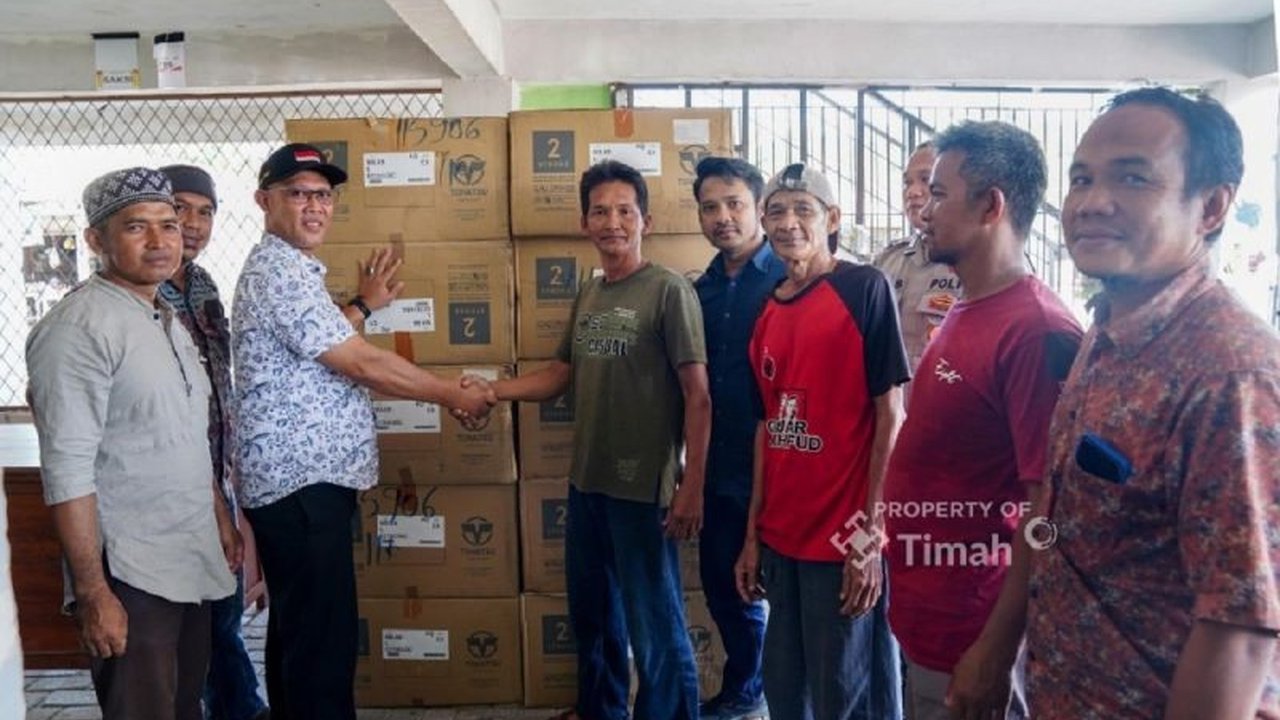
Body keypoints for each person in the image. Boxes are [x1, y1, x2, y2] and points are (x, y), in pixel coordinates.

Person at [1026, 87, 1280, 717]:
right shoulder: (1109, 327)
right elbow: (1057, 518)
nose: (1090, 203)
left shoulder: (1230, 373)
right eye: (1081, 179)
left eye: (1133, 178)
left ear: (1212, 207)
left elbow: (1241, 627)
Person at [231, 143, 493, 720]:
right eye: (297, 194)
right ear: (264, 200)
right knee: (321, 647)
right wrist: (453, 393)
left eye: (322, 195)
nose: (314, 206)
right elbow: (360, 363)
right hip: (302, 486)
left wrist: (362, 305)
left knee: (300, 636)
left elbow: (314, 347)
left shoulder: (290, 270)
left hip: (301, 486)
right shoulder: (280, 270)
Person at [477, 160, 709, 720]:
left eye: (624, 211)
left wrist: (691, 486)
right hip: (588, 484)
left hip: (643, 489)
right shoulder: (590, 294)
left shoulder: (668, 291)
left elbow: (698, 396)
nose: (612, 222)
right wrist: (492, 390)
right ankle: (601, 709)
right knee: (595, 614)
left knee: (655, 626)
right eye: (600, 211)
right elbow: (560, 374)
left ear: (645, 221)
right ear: (585, 223)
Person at [881, 121, 1082, 720]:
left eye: (939, 193)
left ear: (991, 205)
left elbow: (1046, 508)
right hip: (929, 614)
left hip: (973, 630)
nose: (923, 208)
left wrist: (995, 651)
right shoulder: (966, 308)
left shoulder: (1036, 331)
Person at [26, 167, 238, 720]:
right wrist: (95, 594)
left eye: (168, 226)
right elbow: (67, 469)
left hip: (187, 556)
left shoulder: (163, 316)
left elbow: (185, 433)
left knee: (185, 704)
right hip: (130, 571)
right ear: (96, 240)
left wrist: (218, 515)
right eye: (136, 227)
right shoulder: (79, 328)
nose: (159, 241)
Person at [734, 163, 909, 720]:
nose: (789, 223)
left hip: (842, 544)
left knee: (850, 698)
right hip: (782, 542)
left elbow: (891, 414)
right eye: (777, 211)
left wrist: (870, 536)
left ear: (831, 219)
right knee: (786, 696)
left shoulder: (863, 289)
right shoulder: (767, 307)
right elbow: (767, 427)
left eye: (803, 210)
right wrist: (751, 535)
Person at [156, 164, 269, 720]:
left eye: (205, 212)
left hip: (216, 472)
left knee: (221, 608)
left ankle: (239, 708)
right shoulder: (133, 292)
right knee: (190, 617)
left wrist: (234, 494)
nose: (194, 224)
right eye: (181, 208)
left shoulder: (201, 285)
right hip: (167, 481)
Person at [691, 156, 782, 720]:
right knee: (721, 584)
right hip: (716, 465)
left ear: (758, 210)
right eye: (709, 207)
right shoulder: (698, 290)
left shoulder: (787, 281)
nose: (723, 217)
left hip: (779, 464)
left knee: (774, 588)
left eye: (734, 204)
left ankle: (766, 689)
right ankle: (748, 685)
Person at [872, 142, 961, 375]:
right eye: (907, 182)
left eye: (925, 179)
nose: (913, 191)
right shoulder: (888, 260)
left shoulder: (974, 260)